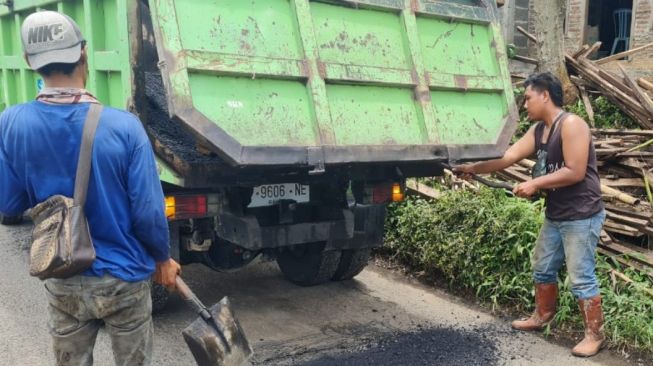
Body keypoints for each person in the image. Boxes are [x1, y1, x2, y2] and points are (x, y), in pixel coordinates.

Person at [0, 11, 180, 365]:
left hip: (64, 277)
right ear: (83, 52)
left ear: (28, 61)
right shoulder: (125, 128)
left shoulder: (10, 123)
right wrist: (162, 258)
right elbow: (148, 212)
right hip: (124, 279)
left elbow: (9, 201)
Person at [454, 72, 606, 357]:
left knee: (581, 276)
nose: (524, 105)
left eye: (527, 98)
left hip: (582, 215)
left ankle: (594, 335)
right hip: (557, 213)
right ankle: (542, 314)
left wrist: (535, 183)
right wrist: (472, 168)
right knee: (542, 265)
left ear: (545, 95)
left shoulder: (572, 124)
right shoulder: (539, 130)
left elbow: (575, 171)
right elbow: (508, 157)